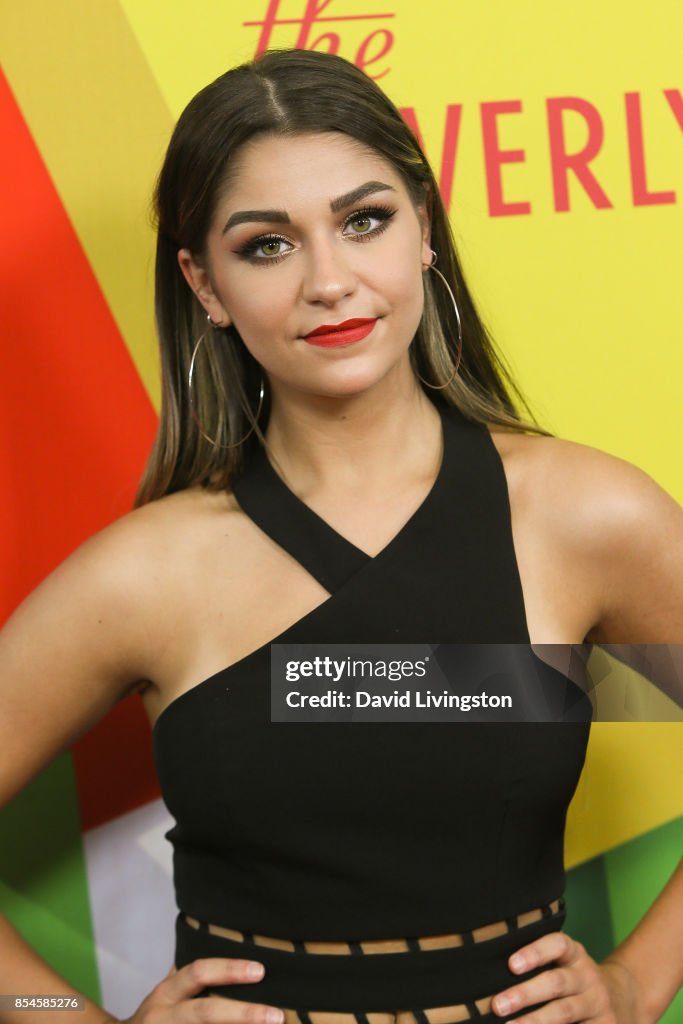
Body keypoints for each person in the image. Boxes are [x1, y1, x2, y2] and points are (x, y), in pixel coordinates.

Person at [1, 46, 682, 1024]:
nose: (329, 281)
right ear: (203, 283)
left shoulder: (584, 517)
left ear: (423, 231)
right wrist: (68, 1022)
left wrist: (637, 983)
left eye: (363, 221)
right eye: (266, 245)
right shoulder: (146, 574)